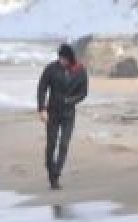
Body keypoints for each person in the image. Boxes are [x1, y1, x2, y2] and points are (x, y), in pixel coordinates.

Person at [36, 43, 89, 190]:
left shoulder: (80, 71)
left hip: (69, 113)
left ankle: (56, 174)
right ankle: (50, 170)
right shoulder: (51, 68)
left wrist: (70, 100)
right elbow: (42, 87)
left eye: (64, 58)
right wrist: (41, 109)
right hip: (52, 112)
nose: (61, 61)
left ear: (70, 58)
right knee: (51, 145)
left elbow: (83, 93)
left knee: (64, 145)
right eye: (59, 57)